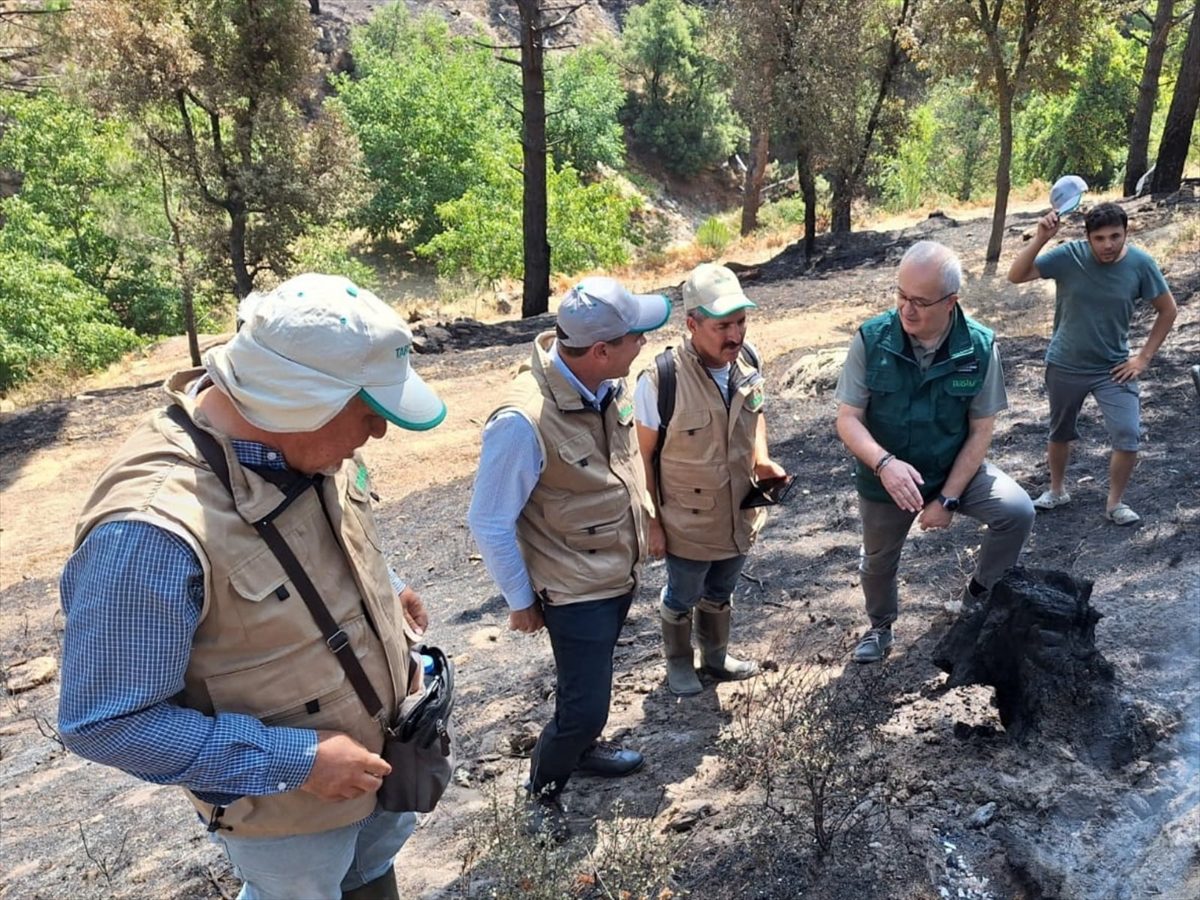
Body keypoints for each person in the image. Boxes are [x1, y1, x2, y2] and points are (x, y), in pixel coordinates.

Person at [58, 274, 448, 900]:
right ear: (297, 401)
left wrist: (385, 585)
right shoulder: (147, 533)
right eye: (368, 412)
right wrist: (299, 762)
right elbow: (104, 723)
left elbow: (310, 540)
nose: (377, 434)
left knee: (370, 877)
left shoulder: (301, 444)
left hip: (379, 767)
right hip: (288, 822)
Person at [467, 277, 670, 837]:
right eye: (636, 337)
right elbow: (488, 520)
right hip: (574, 590)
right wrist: (520, 600)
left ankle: (581, 751)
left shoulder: (604, 383)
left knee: (587, 689)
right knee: (585, 709)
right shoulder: (521, 421)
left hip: (611, 573)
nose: (645, 344)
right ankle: (544, 789)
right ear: (602, 349)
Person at [834, 241, 1035, 664]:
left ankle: (979, 596)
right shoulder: (872, 339)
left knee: (1017, 510)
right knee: (877, 562)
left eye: (921, 302)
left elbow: (981, 430)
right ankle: (880, 626)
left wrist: (948, 498)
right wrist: (884, 464)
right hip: (886, 476)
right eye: (901, 296)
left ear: (951, 302)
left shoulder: (979, 346)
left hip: (951, 466)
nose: (907, 310)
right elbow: (848, 418)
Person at [633, 263, 785, 696]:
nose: (734, 335)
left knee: (721, 588)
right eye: (723, 326)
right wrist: (652, 522)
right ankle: (679, 664)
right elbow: (640, 458)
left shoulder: (748, 359)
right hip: (688, 521)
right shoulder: (660, 379)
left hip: (740, 512)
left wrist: (762, 459)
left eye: (741, 322)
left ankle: (715, 657)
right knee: (682, 595)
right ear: (692, 324)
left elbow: (755, 415)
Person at [1007, 201, 1177, 526]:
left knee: (1128, 434)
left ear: (1127, 233)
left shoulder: (1140, 264)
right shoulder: (1069, 256)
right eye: (1099, 238)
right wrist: (1042, 237)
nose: (1108, 244)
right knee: (1060, 432)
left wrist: (1142, 358)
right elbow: (1016, 276)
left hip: (1113, 367)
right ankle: (1057, 491)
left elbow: (1167, 310)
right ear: (1087, 238)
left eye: (1116, 236)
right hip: (1065, 364)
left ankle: (1115, 504)